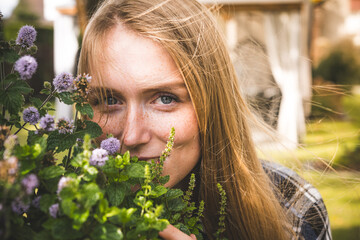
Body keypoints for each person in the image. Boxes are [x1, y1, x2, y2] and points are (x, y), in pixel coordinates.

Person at [78, 0, 332, 239]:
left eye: (165, 99)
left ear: (212, 102)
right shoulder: (57, 208)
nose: (132, 136)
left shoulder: (293, 211)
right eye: (110, 100)